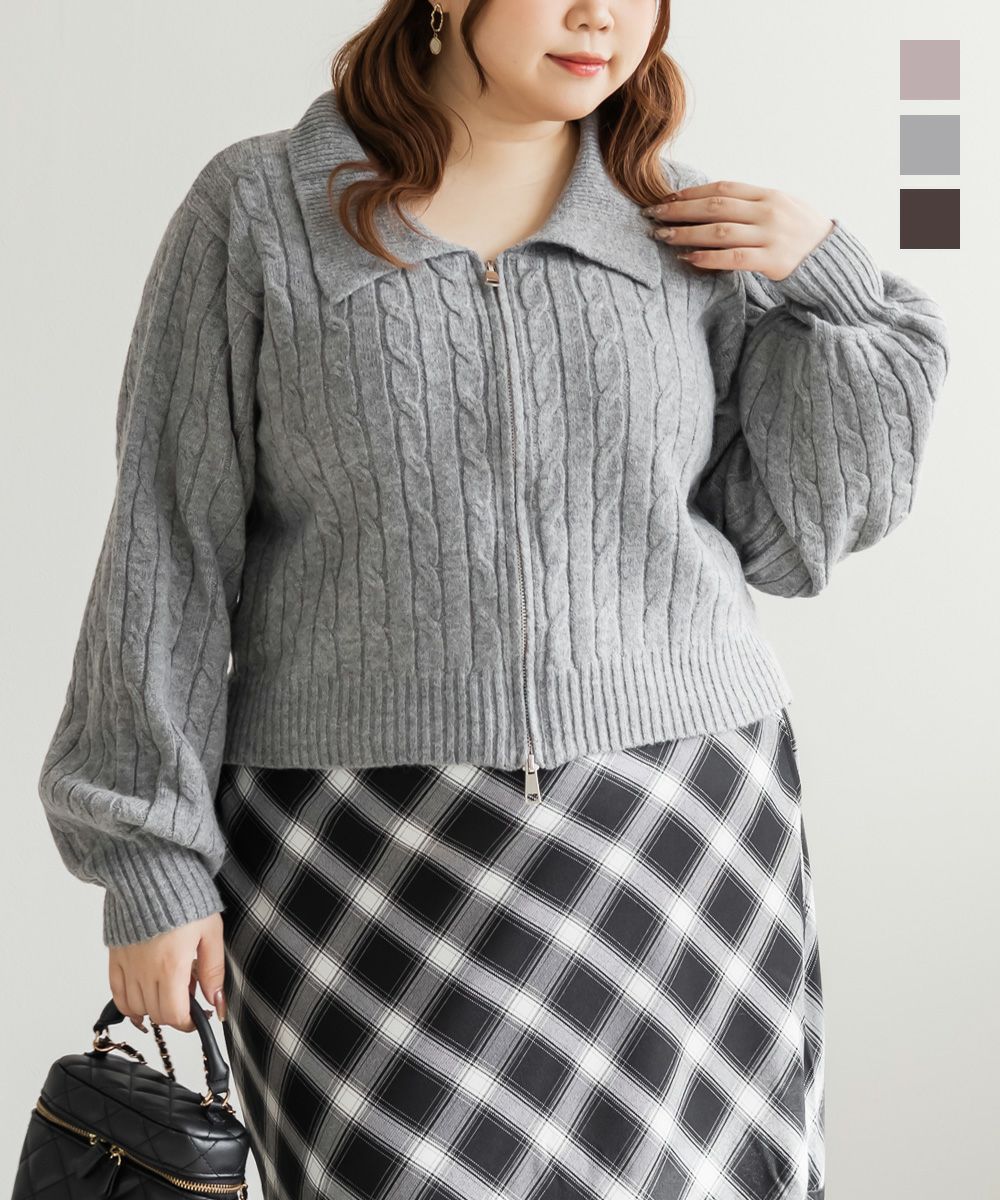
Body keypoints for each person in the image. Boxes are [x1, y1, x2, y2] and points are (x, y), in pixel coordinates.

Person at [36, 1, 950, 1197]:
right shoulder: (257, 210)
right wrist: (148, 861)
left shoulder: (687, 224)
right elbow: (167, 540)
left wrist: (836, 287)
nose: (598, 17)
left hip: (677, 832)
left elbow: (791, 538)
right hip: (351, 841)